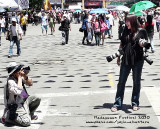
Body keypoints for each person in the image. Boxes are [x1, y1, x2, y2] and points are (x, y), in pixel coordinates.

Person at [111, 14, 148, 112]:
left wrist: (142, 44)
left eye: (128, 21)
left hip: (138, 60)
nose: (126, 23)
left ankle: (135, 103)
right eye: (126, 21)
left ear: (133, 21)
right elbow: (122, 44)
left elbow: (145, 44)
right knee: (121, 82)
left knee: (136, 82)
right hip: (126, 60)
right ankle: (117, 104)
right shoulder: (125, 30)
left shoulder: (142, 31)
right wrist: (118, 57)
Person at [1, 62, 41, 126]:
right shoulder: (10, 82)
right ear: (15, 72)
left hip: (23, 100)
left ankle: (29, 114)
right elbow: (18, 91)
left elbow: (30, 84)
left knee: (36, 98)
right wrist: (19, 78)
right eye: (19, 70)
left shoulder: (19, 77)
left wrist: (25, 76)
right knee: (27, 122)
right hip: (15, 106)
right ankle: (9, 117)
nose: (21, 70)